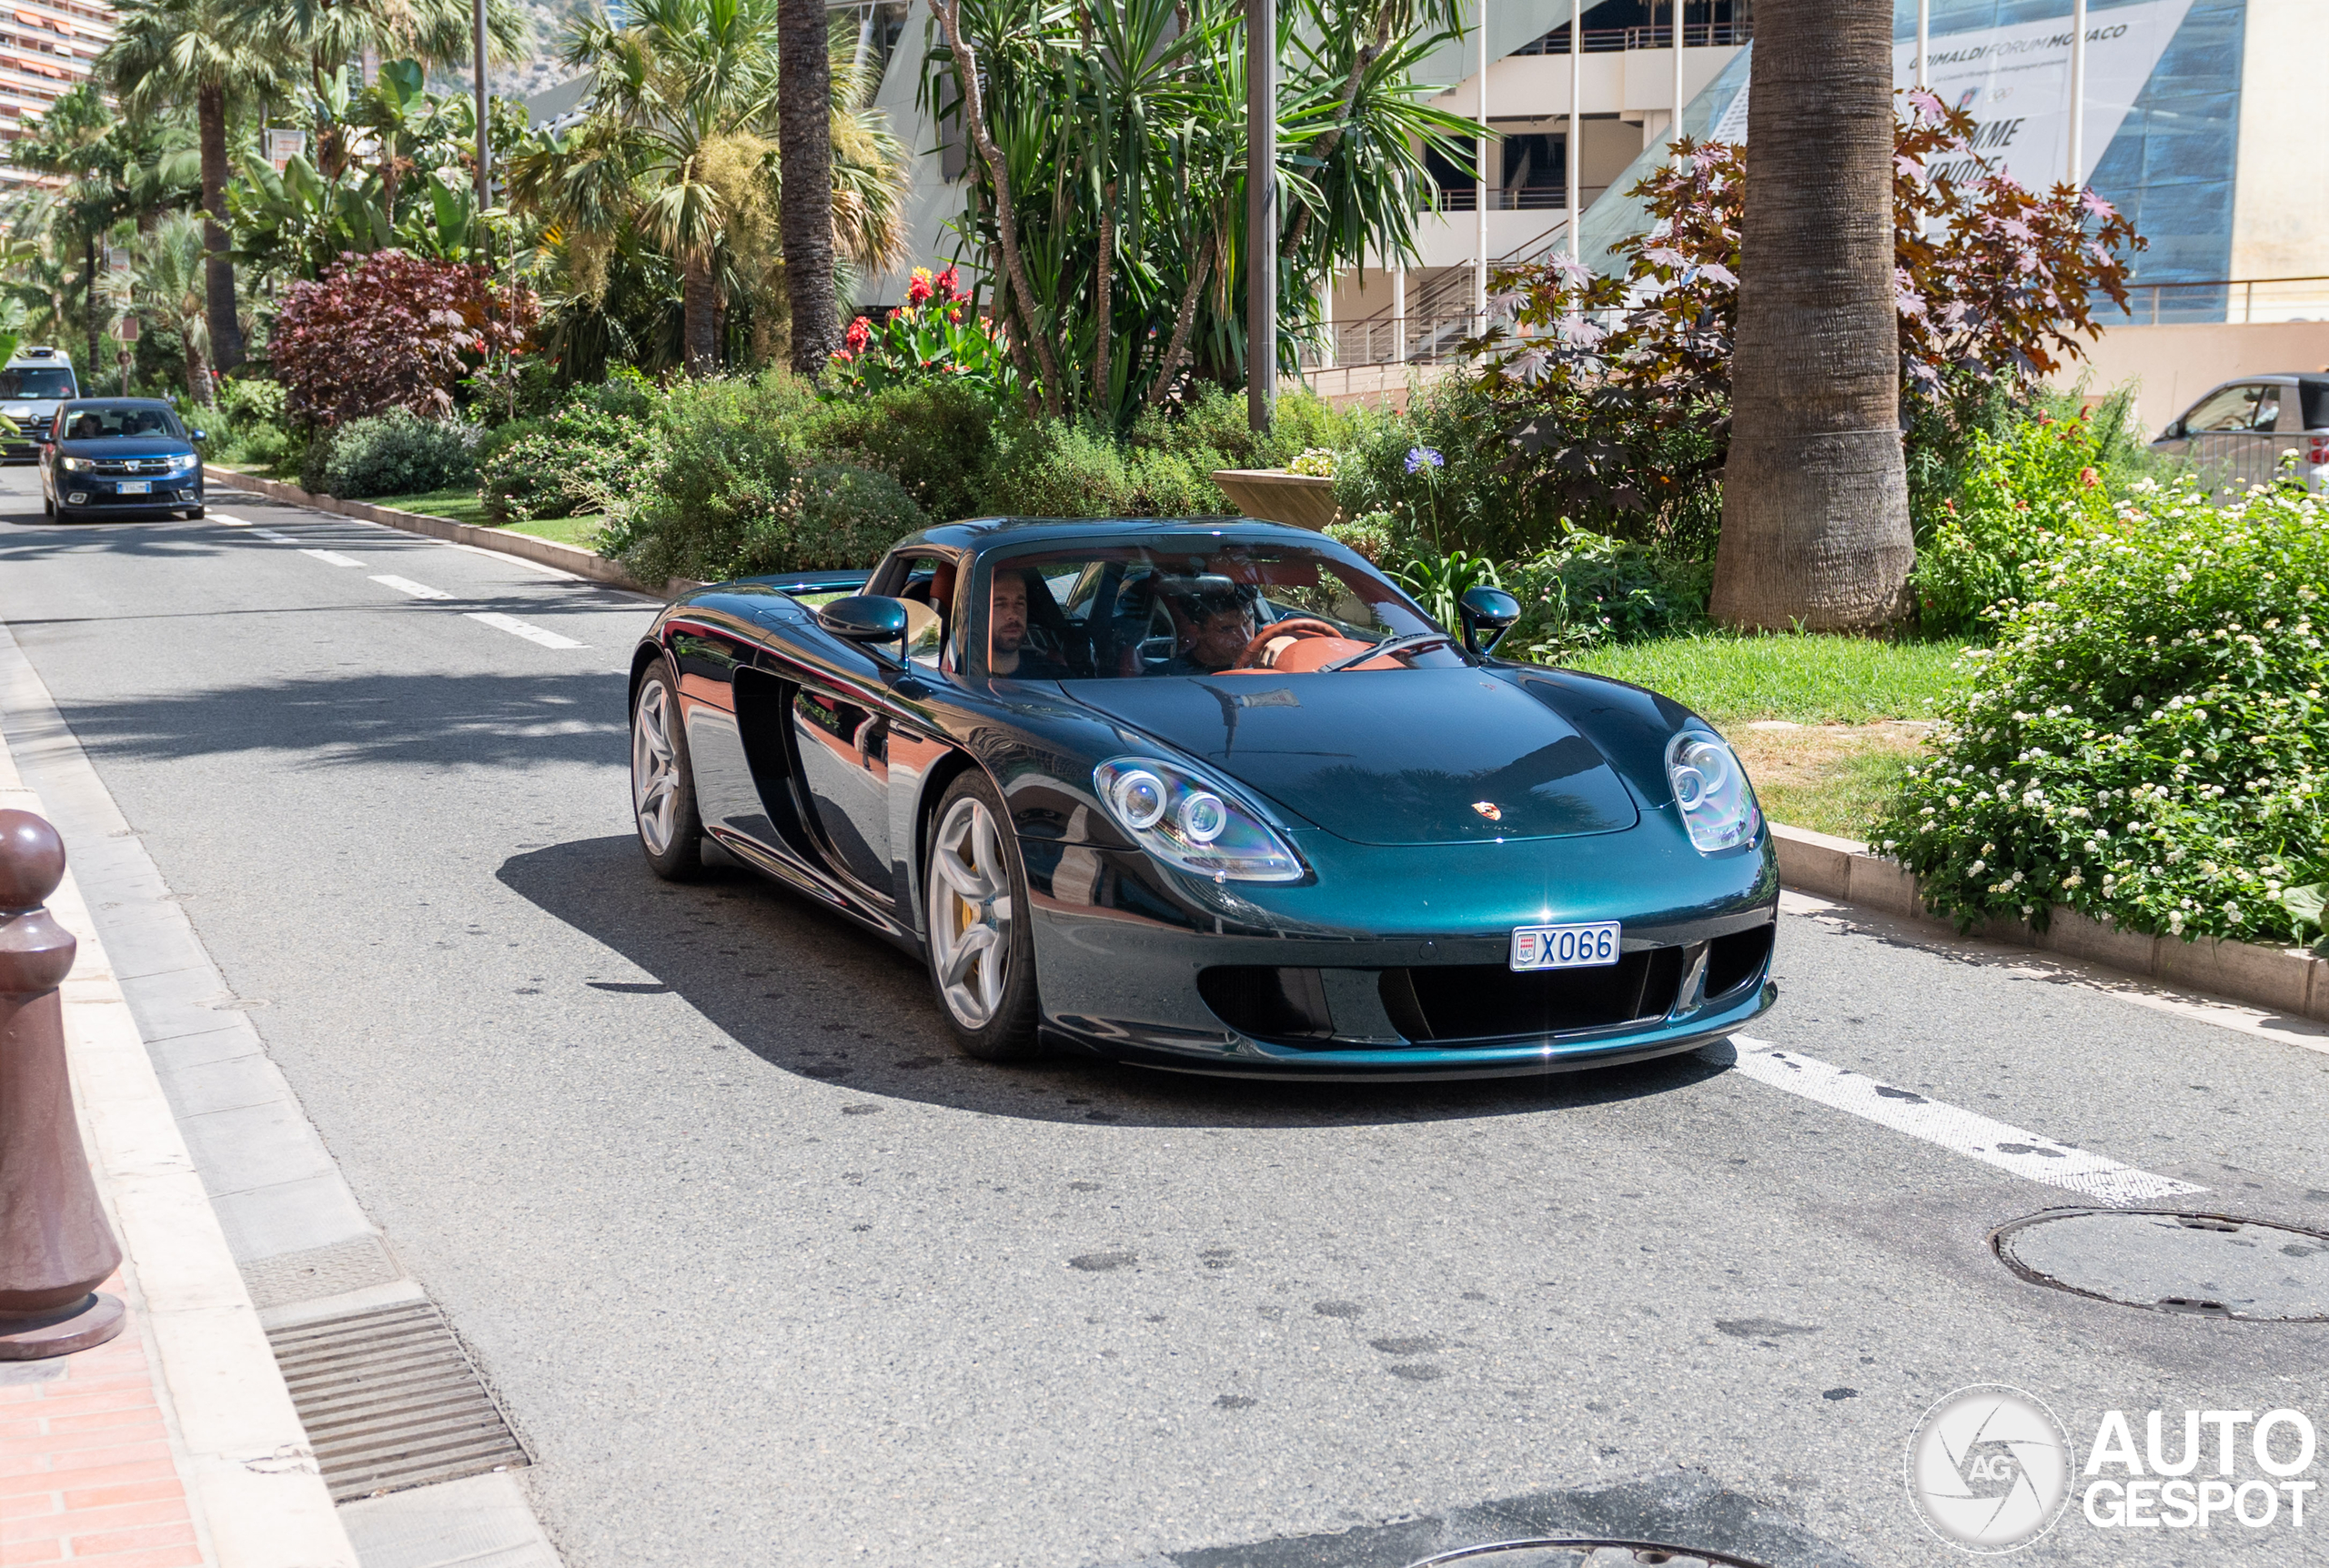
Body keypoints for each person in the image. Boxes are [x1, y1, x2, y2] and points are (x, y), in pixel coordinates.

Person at [988, 569, 1072, 678]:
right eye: (999, 604)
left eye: (1020, 603)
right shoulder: (961, 677)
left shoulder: (1055, 677)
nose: (1013, 614)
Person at [1165, 588, 1258, 675]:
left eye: (1247, 622)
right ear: (1196, 631)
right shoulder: (1169, 676)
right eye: (1227, 629)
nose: (1245, 638)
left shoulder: (1264, 664)